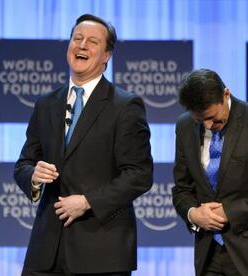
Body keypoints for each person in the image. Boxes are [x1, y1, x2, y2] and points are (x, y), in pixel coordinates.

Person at [14, 14, 153, 276]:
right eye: (77, 39)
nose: (82, 45)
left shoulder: (125, 106)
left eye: (92, 41)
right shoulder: (46, 104)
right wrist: (33, 177)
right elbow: (24, 163)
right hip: (45, 253)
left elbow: (139, 175)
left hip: (101, 251)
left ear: (106, 56)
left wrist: (88, 201)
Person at [172, 69, 248, 276]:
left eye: (212, 118)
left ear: (226, 94)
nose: (208, 126)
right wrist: (193, 214)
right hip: (208, 255)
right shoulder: (185, 126)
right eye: (200, 120)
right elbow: (182, 188)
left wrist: (228, 212)